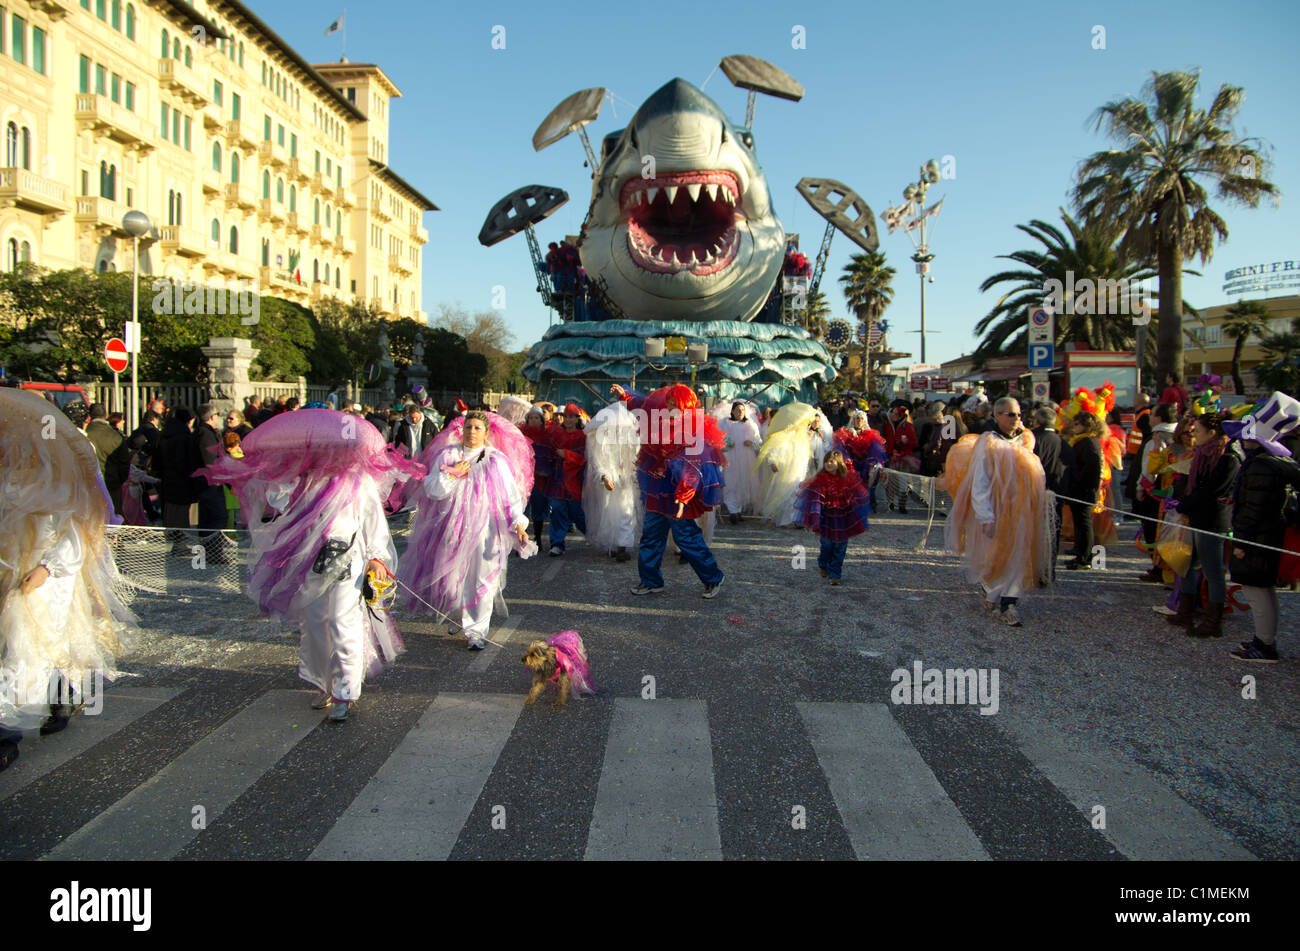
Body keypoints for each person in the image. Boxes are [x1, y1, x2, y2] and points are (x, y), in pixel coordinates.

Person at [201, 408, 422, 720]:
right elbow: (275, 503)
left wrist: (376, 558)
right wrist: (273, 471)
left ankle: (345, 692)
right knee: (316, 624)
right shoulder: (300, 481)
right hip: (309, 563)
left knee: (342, 622)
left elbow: (374, 525)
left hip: (349, 561)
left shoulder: (360, 483)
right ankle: (323, 682)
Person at [1, 388, 136, 767]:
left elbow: (77, 532)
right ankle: (36, 708)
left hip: (48, 581)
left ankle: (22, 718)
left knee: (38, 640)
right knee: (21, 644)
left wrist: (46, 570)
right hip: (13, 574)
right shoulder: (8, 480)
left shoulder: (61, 481)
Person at [401, 410, 536, 650]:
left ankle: (477, 631)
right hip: (453, 526)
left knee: (482, 576)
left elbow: (510, 497)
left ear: (486, 433)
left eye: (477, 428)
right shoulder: (447, 455)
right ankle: (459, 616)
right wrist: (453, 475)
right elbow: (432, 490)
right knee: (454, 576)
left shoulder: (496, 460)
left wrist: (518, 522)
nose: (472, 432)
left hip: (487, 528)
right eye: (468, 427)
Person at [940, 396, 1052, 627]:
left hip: (1023, 511)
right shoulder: (989, 442)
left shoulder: (1025, 441)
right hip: (997, 510)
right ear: (998, 415)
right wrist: (985, 516)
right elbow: (980, 481)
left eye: (1019, 414)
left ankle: (1009, 604)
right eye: (1011, 414)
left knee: (1020, 556)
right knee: (997, 556)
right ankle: (991, 592)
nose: (1016, 419)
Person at [611, 383, 726, 598]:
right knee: (651, 535)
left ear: (687, 408)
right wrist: (624, 396)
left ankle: (713, 577)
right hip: (656, 488)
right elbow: (643, 404)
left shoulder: (693, 431)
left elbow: (692, 470)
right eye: (670, 402)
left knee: (686, 537)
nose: (671, 407)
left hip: (678, 494)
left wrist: (683, 498)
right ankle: (651, 580)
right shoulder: (659, 419)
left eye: (676, 405)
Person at [1223, 393, 1300, 662]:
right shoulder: (1272, 463)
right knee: (1262, 589)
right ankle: (1264, 640)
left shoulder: (1261, 466)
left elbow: (1255, 509)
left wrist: (1242, 542)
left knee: (1257, 591)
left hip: (1258, 537)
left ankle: (1265, 645)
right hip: (1266, 533)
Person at [1166, 412, 1239, 637]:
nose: (1193, 433)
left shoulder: (1228, 458)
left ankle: (1213, 621)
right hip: (1196, 517)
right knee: (1186, 564)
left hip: (1213, 520)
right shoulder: (1202, 455)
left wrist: (1184, 505)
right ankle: (1186, 610)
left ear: (1212, 432)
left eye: (1197, 430)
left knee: (1212, 570)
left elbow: (1211, 490)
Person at [794, 450, 872, 586]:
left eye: (832, 461)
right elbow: (814, 499)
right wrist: (815, 516)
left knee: (840, 547)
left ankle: (835, 573)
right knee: (827, 545)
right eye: (827, 461)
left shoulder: (847, 479)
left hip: (843, 519)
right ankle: (823, 564)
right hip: (826, 518)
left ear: (839, 463)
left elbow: (856, 495)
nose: (828, 464)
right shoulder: (820, 480)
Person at [755, 402, 833, 526]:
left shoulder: (804, 436)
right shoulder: (785, 434)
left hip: (799, 469)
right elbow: (774, 447)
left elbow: (807, 451)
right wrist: (772, 462)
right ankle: (785, 519)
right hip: (786, 468)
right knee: (786, 491)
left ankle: (796, 518)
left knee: (797, 491)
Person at [582, 399, 642, 561]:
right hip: (609, 483)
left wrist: (633, 470)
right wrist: (604, 477)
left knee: (627, 512)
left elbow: (637, 456)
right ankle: (613, 544)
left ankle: (622, 546)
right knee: (609, 513)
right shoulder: (600, 443)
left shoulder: (631, 440)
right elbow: (597, 463)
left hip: (627, 482)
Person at [1061, 411, 1104, 570]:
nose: (1074, 427)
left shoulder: (1088, 442)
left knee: (1084, 523)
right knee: (1079, 523)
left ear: (1086, 426)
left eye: (1077, 424)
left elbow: (1091, 469)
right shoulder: (1082, 441)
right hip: (1078, 489)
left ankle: (1084, 558)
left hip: (1083, 491)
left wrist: (1078, 481)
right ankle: (1080, 552)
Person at [545, 404, 588, 556]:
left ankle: (593, 534)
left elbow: (585, 457)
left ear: (577, 418)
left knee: (577, 513)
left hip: (575, 480)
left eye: (572, 417)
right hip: (558, 479)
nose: (569, 420)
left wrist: (567, 454)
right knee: (557, 509)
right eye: (567, 416)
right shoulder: (556, 433)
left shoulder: (583, 436)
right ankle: (557, 544)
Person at [157, 407, 198, 556]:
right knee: (181, 514)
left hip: (168, 480)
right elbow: (185, 462)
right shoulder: (184, 437)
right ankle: (180, 545)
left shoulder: (166, 434)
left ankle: (177, 543)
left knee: (171, 513)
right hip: (182, 481)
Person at [716, 400, 763, 523]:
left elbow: (758, 441)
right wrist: (726, 444)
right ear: (732, 411)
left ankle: (738, 509)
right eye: (737, 410)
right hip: (731, 457)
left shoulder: (750, 424)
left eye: (742, 410)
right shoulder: (725, 423)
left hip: (746, 458)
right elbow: (719, 439)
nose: (740, 412)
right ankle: (732, 510)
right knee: (731, 482)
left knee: (743, 483)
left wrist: (751, 443)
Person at [193, 404, 229, 563]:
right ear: (212, 417)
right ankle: (214, 553)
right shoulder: (206, 435)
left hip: (203, 482)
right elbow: (210, 461)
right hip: (210, 482)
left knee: (207, 518)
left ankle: (208, 553)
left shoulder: (200, 433)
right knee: (217, 517)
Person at [84, 402, 131, 517]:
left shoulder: (84, 434)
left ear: (89, 416)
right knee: (112, 519)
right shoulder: (115, 436)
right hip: (111, 483)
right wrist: (119, 480)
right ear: (105, 416)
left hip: (89, 485)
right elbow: (124, 463)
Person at [885, 401, 920, 514]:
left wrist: (906, 441)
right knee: (890, 481)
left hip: (904, 458)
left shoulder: (907, 427)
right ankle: (890, 503)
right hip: (892, 457)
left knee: (904, 483)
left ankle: (901, 505)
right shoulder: (888, 425)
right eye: (893, 413)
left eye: (896, 414)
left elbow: (914, 443)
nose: (894, 415)